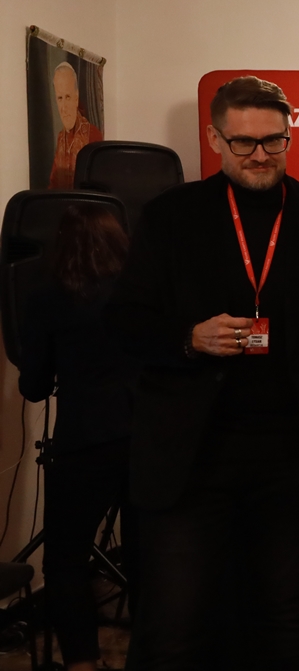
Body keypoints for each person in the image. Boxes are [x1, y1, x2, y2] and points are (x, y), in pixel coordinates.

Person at [110, 76, 299, 671]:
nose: (260, 155)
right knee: (176, 624)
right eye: (243, 142)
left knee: (284, 619)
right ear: (214, 139)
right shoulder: (171, 215)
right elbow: (123, 323)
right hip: (191, 456)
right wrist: (188, 338)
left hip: (290, 456)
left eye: (274, 141)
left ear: (289, 137)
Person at [20, 204, 137, 671]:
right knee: (148, 557)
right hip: (144, 436)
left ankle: (83, 664)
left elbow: (34, 387)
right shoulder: (138, 291)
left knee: (65, 561)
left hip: (84, 440)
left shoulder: (47, 297)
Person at [48, 61, 103, 189]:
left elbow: (98, 186)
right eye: (60, 98)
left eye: (68, 97)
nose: (64, 108)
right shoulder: (61, 138)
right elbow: (54, 184)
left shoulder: (93, 135)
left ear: (76, 98)